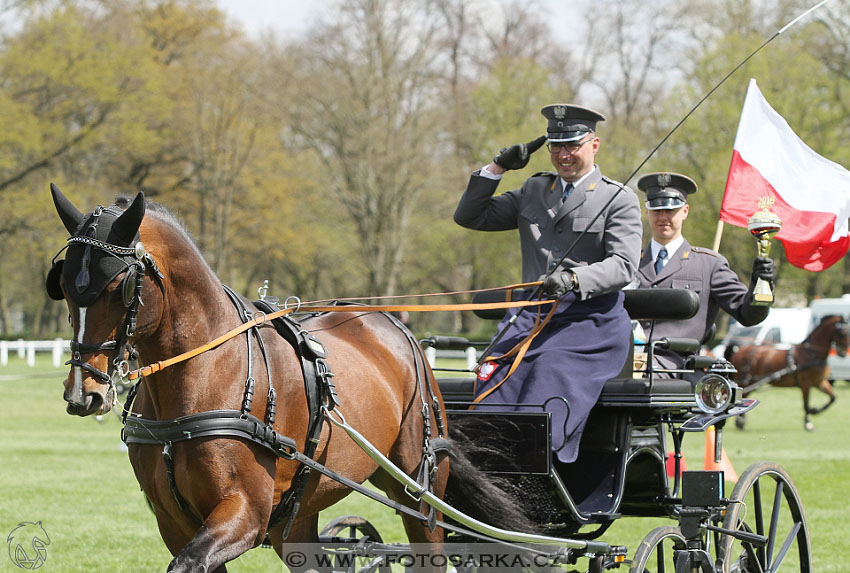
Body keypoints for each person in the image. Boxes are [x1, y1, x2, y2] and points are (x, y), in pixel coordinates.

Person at [453, 104, 642, 463]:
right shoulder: (534, 191)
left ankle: (535, 482)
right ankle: (485, 482)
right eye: (556, 146)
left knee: (545, 389)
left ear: (594, 145)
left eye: (572, 145)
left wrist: (575, 278)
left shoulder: (617, 199)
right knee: (489, 398)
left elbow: (624, 265)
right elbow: (470, 216)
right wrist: (499, 166)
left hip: (588, 324)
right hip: (530, 320)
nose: (563, 155)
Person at [635, 172, 776, 372]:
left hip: (680, 370)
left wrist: (761, 283)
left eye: (671, 210)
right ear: (647, 212)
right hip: (625, 365)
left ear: (685, 211)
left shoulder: (709, 265)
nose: (663, 217)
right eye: (657, 210)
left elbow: (747, 315)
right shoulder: (628, 262)